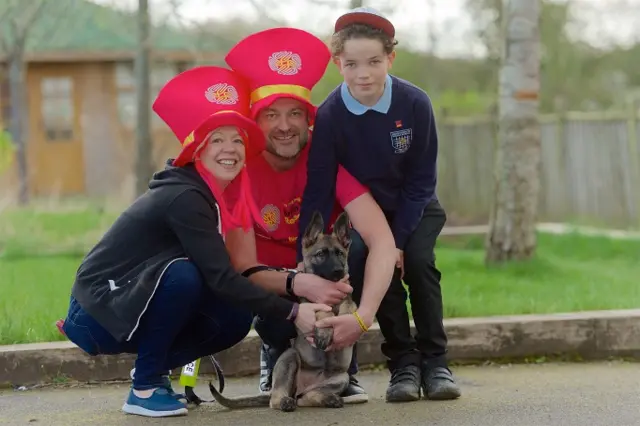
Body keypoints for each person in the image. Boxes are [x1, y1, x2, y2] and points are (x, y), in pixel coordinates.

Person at [58, 66, 332, 418]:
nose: (230, 149)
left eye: (237, 140)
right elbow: (221, 277)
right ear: (196, 150)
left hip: (127, 305)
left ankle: (150, 369)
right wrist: (296, 311)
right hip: (97, 311)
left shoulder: (219, 195)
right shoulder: (184, 197)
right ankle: (144, 386)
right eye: (217, 140)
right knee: (185, 275)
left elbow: (238, 275)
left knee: (235, 316)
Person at [223, 27, 397, 403]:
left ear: (309, 119)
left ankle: (341, 364)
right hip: (274, 289)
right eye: (271, 115)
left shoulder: (325, 159)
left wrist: (362, 317)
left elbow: (383, 240)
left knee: (364, 253)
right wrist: (297, 285)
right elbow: (241, 266)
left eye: (295, 114)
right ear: (255, 121)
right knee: (257, 297)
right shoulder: (240, 170)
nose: (284, 126)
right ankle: (278, 357)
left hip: (334, 286)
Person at [297, 7, 462, 403]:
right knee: (375, 269)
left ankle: (435, 362)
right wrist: (302, 251)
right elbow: (319, 187)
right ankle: (403, 364)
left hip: (415, 208)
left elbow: (422, 179)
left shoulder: (414, 103)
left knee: (418, 264)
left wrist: (401, 240)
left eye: (373, 61)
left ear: (390, 58)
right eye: (351, 64)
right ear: (338, 64)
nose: (363, 73)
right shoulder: (331, 115)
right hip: (364, 215)